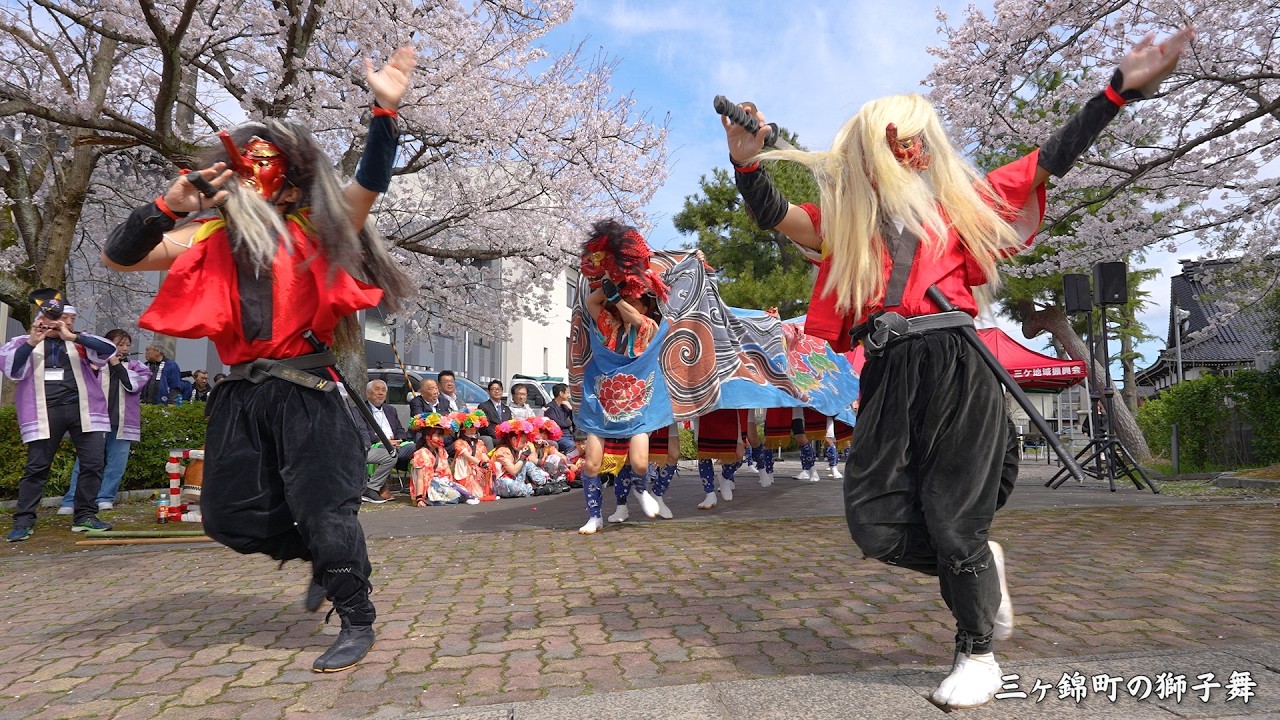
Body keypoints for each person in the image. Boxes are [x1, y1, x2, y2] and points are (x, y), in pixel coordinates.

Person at [722, 28, 1193, 709]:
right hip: (887, 372)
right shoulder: (846, 226)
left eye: (903, 145)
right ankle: (979, 571)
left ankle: (977, 651)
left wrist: (1116, 91)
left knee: (952, 519)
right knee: (874, 524)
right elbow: (778, 214)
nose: (897, 157)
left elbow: (1049, 159)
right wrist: (747, 165)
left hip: (954, 365)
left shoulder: (957, 208)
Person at [101, 45, 419, 672]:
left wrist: (385, 112)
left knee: (326, 510)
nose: (248, 175)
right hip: (242, 395)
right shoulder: (204, 236)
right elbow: (120, 256)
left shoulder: (319, 228)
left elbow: (368, 185)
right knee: (226, 518)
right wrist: (167, 206)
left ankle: (355, 614)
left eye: (263, 165)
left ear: (291, 179)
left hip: (308, 391)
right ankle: (322, 558)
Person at [576, 219, 668, 535]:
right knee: (591, 464)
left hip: (637, 403)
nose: (630, 303)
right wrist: (609, 281)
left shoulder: (649, 328)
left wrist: (616, 297)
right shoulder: (608, 326)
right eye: (627, 299)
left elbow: (635, 318)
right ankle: (595, 516)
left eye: (635, 300)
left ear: (645, 305)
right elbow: (591, 302)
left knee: (640, 463)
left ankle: (641, 490)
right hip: (602, 401)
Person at [2, 296, 118, 540]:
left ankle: (85, 516)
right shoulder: (23, 342)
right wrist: (32, 341)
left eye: (71, 318)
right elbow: (11, 369)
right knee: (37, 467)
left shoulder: (80, 342)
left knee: (93, 463)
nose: (67, 322)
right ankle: (23, 521)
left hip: (83, 410)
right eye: (62, 317)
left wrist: (74, 336)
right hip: (44, 411)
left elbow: (109, 349)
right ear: (43, 318)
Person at [59, 329, 153, 513]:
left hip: (123, 422)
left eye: (127, 345)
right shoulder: (95, 364)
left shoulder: (137, 366)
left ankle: (105, 497)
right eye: (119, 344)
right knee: (85, 462)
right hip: (96, 421)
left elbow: (132, 385)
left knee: (117, 464)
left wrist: (116, 363)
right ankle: (71, 500)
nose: (124, 348)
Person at [362, 379, 415, 504]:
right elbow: (363, 433)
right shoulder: (361, 409)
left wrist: (398, 439)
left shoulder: (390, 410)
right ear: (368, 393)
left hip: (396, 444)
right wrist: (384, 441)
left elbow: (400, 429)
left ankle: (419, 485)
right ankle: (381, 486)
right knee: (387, 451)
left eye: (383, 390)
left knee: (417, 448)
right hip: (377, 444)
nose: (381, 393)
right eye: (377, 389)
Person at [409, 413, 476, 506]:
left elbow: (447, 470)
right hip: (428, 486)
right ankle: (426, 499)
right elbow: (419, 478)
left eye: (441, 436)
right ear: (428, 437)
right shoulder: (420, 454)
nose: (441, 439)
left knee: (462, 493)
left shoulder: (441, 450)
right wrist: (419, 498)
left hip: (441, 482)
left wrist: (451, 484)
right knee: (455, 499)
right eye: (438, 436)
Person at [490, 419, 547, 497]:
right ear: (514, 440)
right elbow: (513, 471)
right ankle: (534, 490)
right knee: (508, 483)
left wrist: (525, 457)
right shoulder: (502, 452)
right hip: (499, 483)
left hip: (516, 479)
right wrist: (523, 457)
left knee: (528, 464)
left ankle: (543, 482)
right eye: (523, 442)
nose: (525, 445)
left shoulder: (517, 450)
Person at [450, 410, 496, 502]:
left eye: (474, 427)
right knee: (474, 493)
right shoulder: (459, 443)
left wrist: (489, 463)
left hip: (477, 468)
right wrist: (481, 463)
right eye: (470, 427)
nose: (473, 429)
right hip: (465, 468)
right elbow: (467, 456)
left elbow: (483, 454)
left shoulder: (479, 442)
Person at [477, 380, 512, 449]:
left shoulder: (506, 409)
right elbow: (486, 427)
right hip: (492, 437)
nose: (496, 391)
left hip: (505, 438)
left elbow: (510, 424)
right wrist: (499, 435)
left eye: (499, 389)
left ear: (502, 391)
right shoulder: (483, 406)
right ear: (488, 392)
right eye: (493, 389)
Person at [542, 382, 576, 453]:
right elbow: (557, 423)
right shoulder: (550, 408)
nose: (568, 395)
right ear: (561, 393)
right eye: (567, 393)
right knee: (571, 445)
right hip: (558, 437)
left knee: (583, 443)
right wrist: (568, 423)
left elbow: (575, 420)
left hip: (569, 434)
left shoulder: (565, 406)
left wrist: (571, 409)